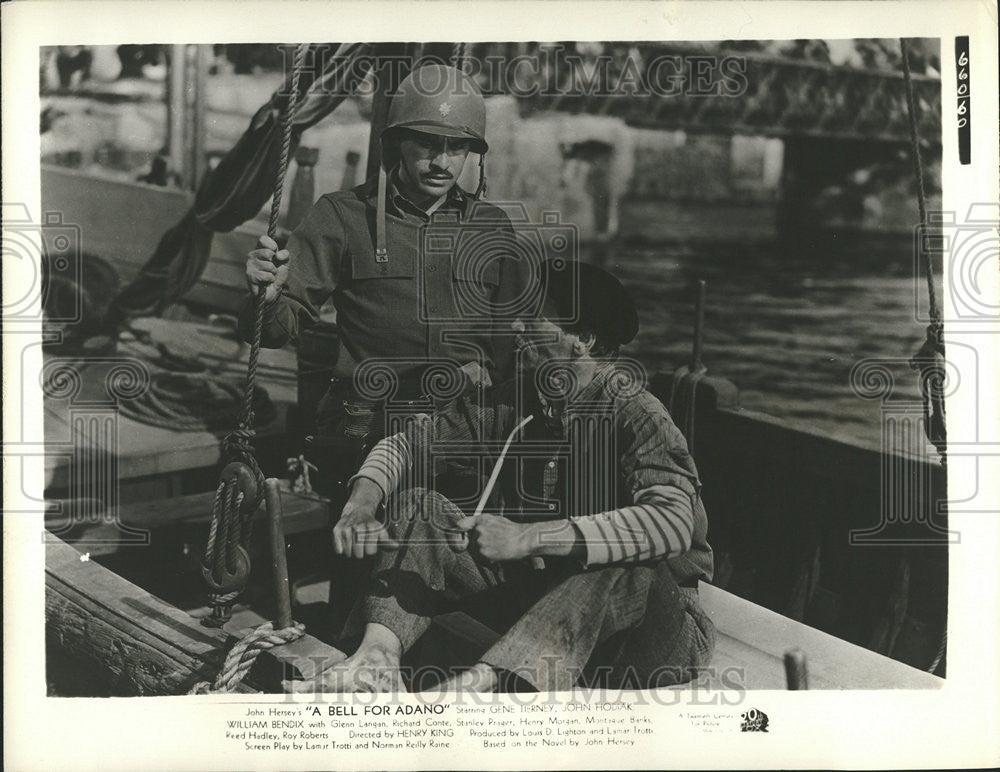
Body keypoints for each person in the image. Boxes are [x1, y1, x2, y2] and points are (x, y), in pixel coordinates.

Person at [284, 260, 716, 694]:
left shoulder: (637, 413)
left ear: (582, 340)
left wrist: (529, 538)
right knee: (421, 506)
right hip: (549, 609)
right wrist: (360, 504)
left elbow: (673, 523)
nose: (517, 325)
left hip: (651, 642)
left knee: (623, 559)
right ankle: (377, 657)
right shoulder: (518, 401)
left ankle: (475, 689)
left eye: (534, 316)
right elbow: (407, 445)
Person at [242, 63, 527, 471]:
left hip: (464, 429)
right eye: (428, 144)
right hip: (366, 425)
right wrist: (265, 299)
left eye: (457, 148)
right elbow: (274, 332)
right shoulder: (342, 217)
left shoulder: (492, 226)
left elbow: (518, 338)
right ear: (398, 144)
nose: (442, 162)